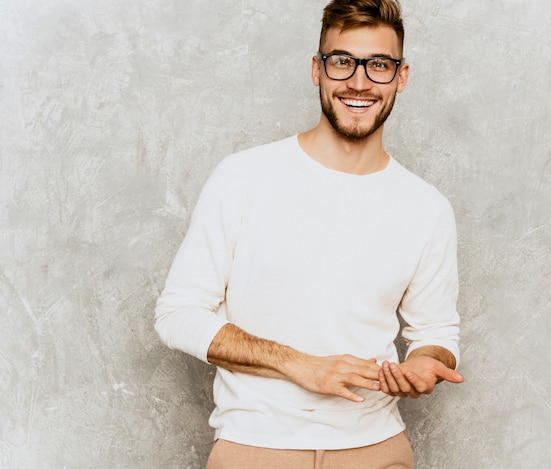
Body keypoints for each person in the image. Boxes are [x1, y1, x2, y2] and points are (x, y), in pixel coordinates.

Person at [154, 0, 463, 467]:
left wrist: (426, 362)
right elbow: (178, 314)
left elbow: (437, 331)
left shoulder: (428, 208)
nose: (359, 82)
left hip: (377, 450)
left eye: (379, 65)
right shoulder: (244, 177)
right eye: (343, 61)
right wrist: (303, 366)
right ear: (317, 69)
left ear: (401, 77)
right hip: (256, 447)